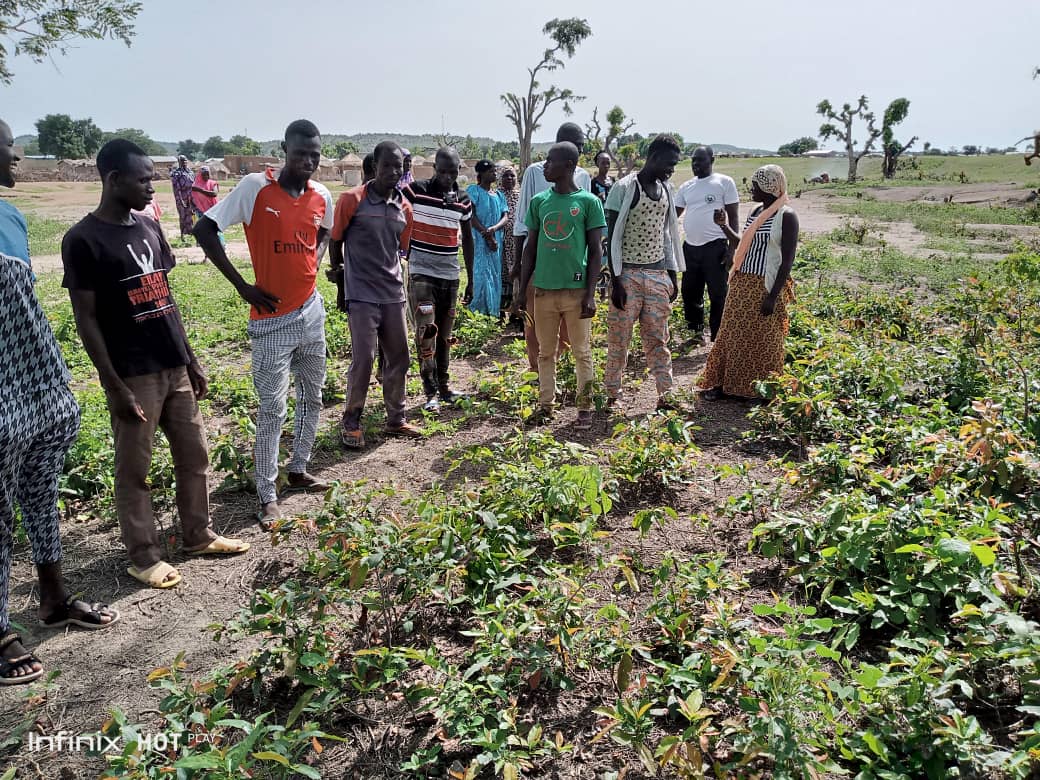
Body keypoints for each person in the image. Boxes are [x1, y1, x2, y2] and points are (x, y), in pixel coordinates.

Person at [62, 139, 249, 590]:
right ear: (113, 180)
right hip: (133, 371)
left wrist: (192, 360)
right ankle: (143, 555)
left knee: (195, 453)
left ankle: (197, 533)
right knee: (135, 467)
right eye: (144, 179)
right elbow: (85, 320)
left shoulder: (149, 229)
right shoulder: (83, 240)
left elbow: (167, 299)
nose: (153, 186)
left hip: (173, 365)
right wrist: (113, 385)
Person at [0, 120, 119, 685]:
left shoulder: (13, 218)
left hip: (37, 380)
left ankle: (53, 597)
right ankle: (0, 629)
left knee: (41, 492)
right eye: (7, 149)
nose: (16, 158)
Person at [193, 120, 334, 529]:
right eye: (300, 153)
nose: (308, 161)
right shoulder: (256, 188)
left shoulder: (321, 195)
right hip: (270, 321)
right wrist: (242, 287)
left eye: (314, 155)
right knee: (272, 407)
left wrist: (315, 259)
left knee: (313, 396)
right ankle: (267, 494)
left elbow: (323, 232)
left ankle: (299, 468)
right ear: (284, 152)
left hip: (312, 312)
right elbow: (204, 228)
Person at [330, 141, 422, 448]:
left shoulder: (405, 208)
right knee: (365, 358)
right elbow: (336, 241)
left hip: (393, 293)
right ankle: (352, 419)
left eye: (399, 167)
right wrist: (342, 285)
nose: (393, 172)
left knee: (399, 357)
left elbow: (402, 250)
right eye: (388, 166)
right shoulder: (351, 200)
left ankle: (396, 419)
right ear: (374, 167)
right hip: (361, 294)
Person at [515, 142, 605, 429]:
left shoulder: (588, 202)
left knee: (582, 351)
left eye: (550, 162)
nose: (545, 166)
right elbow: (530, 248)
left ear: (568, 166)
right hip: (543, 292)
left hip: (576, 293)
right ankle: (545, 405)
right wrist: (521, 291)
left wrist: (590, 294)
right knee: (545, 352)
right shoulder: (539, 201)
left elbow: (595, 251)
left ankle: (585, 408)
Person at [699, 164, 799, 400]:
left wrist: (772, 297)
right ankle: (727, 385)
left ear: (770, 188)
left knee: (765, 339)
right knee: (732, 335)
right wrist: (723, 226)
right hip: (743, 282)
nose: (751, 189)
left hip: (766, 285)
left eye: (756, 186)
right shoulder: (756, 212)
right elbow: (742, 242)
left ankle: (761, 391)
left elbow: (787, 262)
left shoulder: (787, 216)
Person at [604, 135, 684, 410]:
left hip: (657, 275)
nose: (671, 170)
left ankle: (667, 395)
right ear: (654, 157)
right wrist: (615, 282)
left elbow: (666, 235)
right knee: (619, 339)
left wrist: (672, 275)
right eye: (669, 164)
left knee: (658, 339)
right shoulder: (624, 188)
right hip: (627, 276)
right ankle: (612, 395)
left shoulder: (666, 190)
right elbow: (612, 238)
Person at [513, 123, 592, 373]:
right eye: (577, 145)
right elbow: (522, 221)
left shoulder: (584, 177)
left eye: (581, 147)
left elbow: (587, 227)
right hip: (540, 261)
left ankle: (564, 368)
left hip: (571, 263)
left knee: (570, 319)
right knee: (535, 317)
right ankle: (537, 368)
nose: (580, 150)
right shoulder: (535, 173)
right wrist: (518, 263)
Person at [402, 147, 474, 413]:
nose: (447, 176)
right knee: (426, 332)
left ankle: (444, 386)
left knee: (444, 335)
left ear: (458, 171)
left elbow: (467, 239)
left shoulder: (464, 200)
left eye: (452, 172)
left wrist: (471, 278)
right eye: (442, 171)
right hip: (422, 273)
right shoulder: (415, 191)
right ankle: (429, 390)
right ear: (434, 168)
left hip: (450, 275)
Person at [674, 146, 740, 345]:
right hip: (691, 248)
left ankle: (718, 337)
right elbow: (672, 216)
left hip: (715, 247)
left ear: (712, 160)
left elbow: (734, 217)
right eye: (693, 161)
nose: (696, 165)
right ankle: (696, 334)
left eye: (700, 160)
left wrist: (731, 250)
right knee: (689, 292)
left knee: (718, 294)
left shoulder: (724, 183)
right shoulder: (686, 186)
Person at [465, 160, 509, 318]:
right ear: (481, 174)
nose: (494, 174)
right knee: (481, 274)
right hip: (479, 239)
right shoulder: (473, 191)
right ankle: (478, 313)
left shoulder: (498, 195)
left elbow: (505, 216)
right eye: (491, 171)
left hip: (495, 239)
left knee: (494, 274)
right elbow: (471, 215)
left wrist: (494, 229)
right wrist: (486, 233)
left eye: (495, 171)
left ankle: (492, 312)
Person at [498, 165, 520, 319]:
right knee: (500, 275)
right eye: (506, 176)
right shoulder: (496, 196)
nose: (509, 179)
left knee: (516, 275)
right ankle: (499, 312)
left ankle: (515, 314)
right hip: (499, 243)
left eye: (512, 176)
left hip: (516, 244)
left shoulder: (521, 196)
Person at [170, 155, 195, 238]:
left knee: (192, 215)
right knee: (183, 216)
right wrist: (181, 200)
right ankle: (182, 235)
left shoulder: (191, 172)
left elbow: (194, 185)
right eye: (182, 161)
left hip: (191, 197)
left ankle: (191, 233)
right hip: (182, 197)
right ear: (179, 162)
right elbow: (176, 189)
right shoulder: (176, 173)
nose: (184, 162)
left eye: (185, 160)